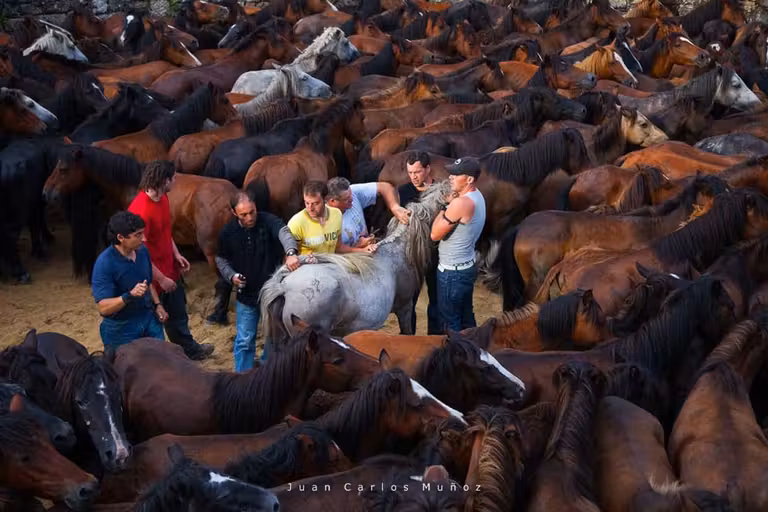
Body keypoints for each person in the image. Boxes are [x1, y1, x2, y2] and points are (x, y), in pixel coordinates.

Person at [128, 161, 214, 361]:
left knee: (178, 314)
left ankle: (189, 351)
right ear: (163, 180)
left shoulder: (164, 198)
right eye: (173, 178)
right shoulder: (141, 210)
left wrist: (176, 254)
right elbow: (140, 253)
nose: (175, 181)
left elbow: (166, 232)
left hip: (169, 269)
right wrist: (161, 278)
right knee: (155, 322)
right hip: (152, 279)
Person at [215, 191, 300, 372]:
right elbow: (221, 259)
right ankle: (243, 377)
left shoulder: (268, 221)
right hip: (246, 296)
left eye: (252, 212)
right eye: (244, 214)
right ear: (234, 213)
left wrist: (291, 253)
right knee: (245, 340)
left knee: (274, 338)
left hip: (272, 294)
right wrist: (231, 276)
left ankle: (266, 371)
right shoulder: (227, 233)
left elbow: (284, 233)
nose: (250, 217)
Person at [91, 211, 168, 350]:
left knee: (163, 359)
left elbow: (148, 282)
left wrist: (158, 305)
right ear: (120, 237)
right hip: (121, 328)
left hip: (148, 317)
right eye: (138, 235)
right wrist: (129, 296)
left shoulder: (142, 251)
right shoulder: (105, 264)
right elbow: (103, 307)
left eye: (142, 233)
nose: (143, 238)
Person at [430, 157, 486, 333]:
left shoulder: (461, 203)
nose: (450, 177)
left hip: (451, 273)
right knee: (466, 318)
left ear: (469, 179)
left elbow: (434, 235)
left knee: (450, 323)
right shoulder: (477, 196)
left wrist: (444, 207)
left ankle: (457, 358)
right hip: (466, 267)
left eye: (456, 174)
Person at [398, 152, 440, 334]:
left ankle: (435, 337)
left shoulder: (440, 191)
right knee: (409, 300)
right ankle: (409, 338)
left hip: (435, 254)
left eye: (417, 172)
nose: (413, 177)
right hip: (412, 256)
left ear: (428, 169)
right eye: (410, 172)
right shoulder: (403, 192)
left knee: (436, 299)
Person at [288, 180, 375, 256]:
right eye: (307, 203)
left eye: (315, 203)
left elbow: (339, 248)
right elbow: (289, 257)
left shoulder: (336, 214)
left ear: (325, 200)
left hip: (332, 265)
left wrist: (363, 251)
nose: (310, 208)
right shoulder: (296, 223)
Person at [326, 177, 411, 251]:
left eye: (351, 195)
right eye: (346, 199)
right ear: (332, 201)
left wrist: (394, 207)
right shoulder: (325, 221)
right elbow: (334, 252)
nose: (352, 199)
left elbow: (385, 187)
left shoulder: (351, 192)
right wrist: (358, 246)